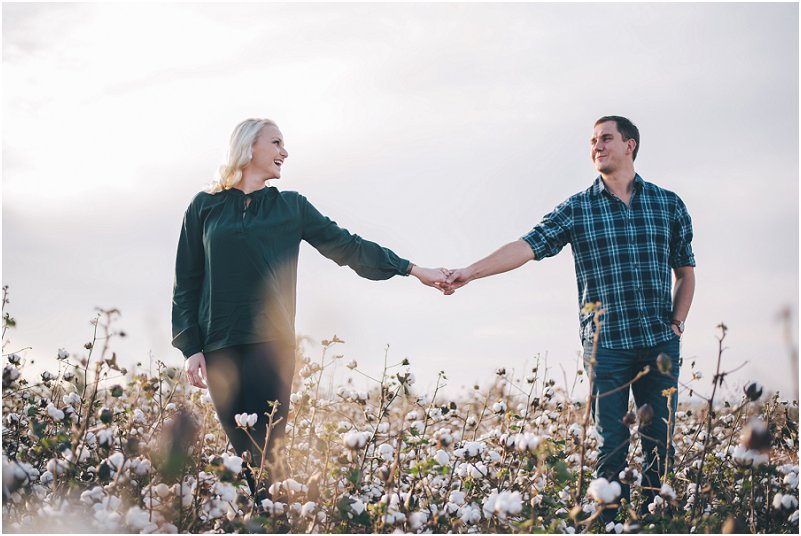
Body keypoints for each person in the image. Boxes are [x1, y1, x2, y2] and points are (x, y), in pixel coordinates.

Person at [172, 118, 450, 498]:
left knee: (268, 452)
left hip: (271, 346)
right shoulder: (204, 207)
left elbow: (348, 246)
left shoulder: (291, 207)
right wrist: (191, 347)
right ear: (249, 147)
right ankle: (275, 515)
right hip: (219, 345)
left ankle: (277, 517)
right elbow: (186, 280)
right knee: (246, 455)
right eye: (276, 142)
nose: (284, 152)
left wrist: (412, 269)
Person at [443, 116, 696, 519]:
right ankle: (609, 525)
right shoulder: (578, 208)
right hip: (607, 348)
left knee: (659, 444)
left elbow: (685, 272)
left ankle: (655, 523)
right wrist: (470, 272)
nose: (597, 146)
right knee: (611, 446)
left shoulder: (668, 204)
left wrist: (676, 324)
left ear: (629, 145)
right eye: (592, 141)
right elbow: (527, 245)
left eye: (606, 138)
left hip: (659, 344)